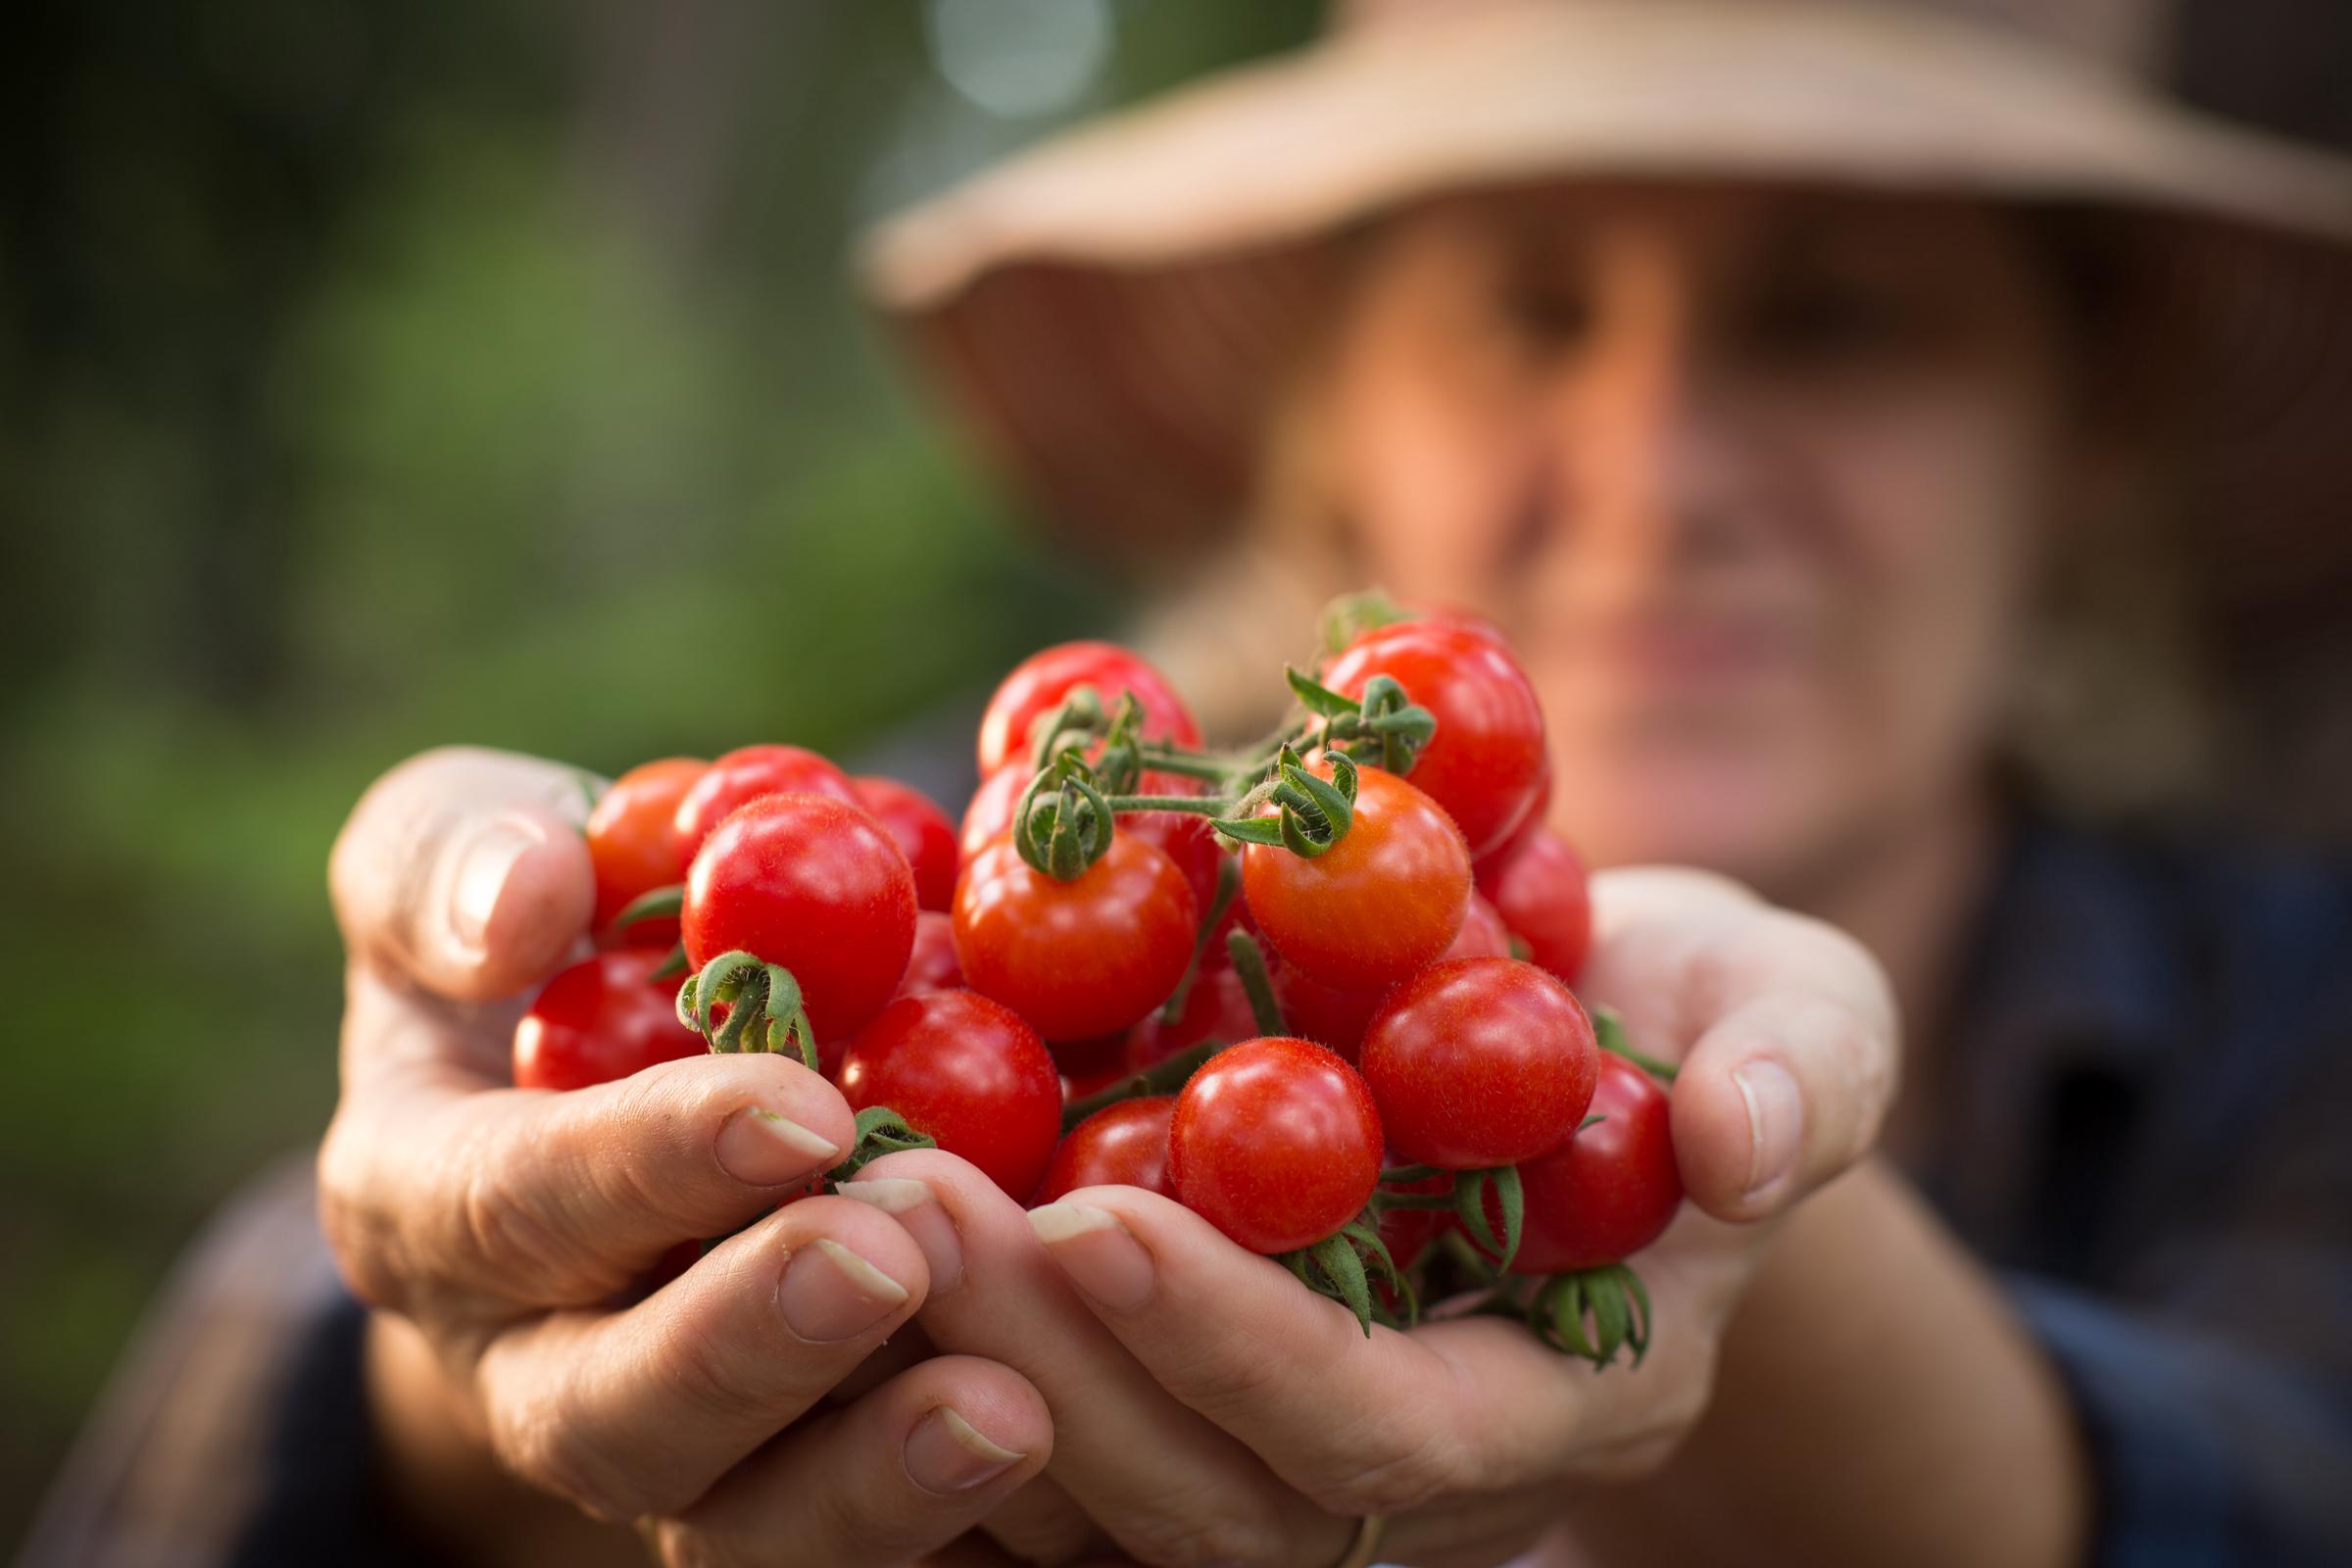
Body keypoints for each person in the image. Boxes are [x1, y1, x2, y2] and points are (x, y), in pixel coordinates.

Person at [27, 1, 2352, 1565]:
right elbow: (234, 1402)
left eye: (1835, 318)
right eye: (1530, 311)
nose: (1658, 473)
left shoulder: (2300, 1028)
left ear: (2083, 436)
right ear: (1332, 418)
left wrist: (1758, 1243)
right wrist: (508, 1371)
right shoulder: (972, 841)